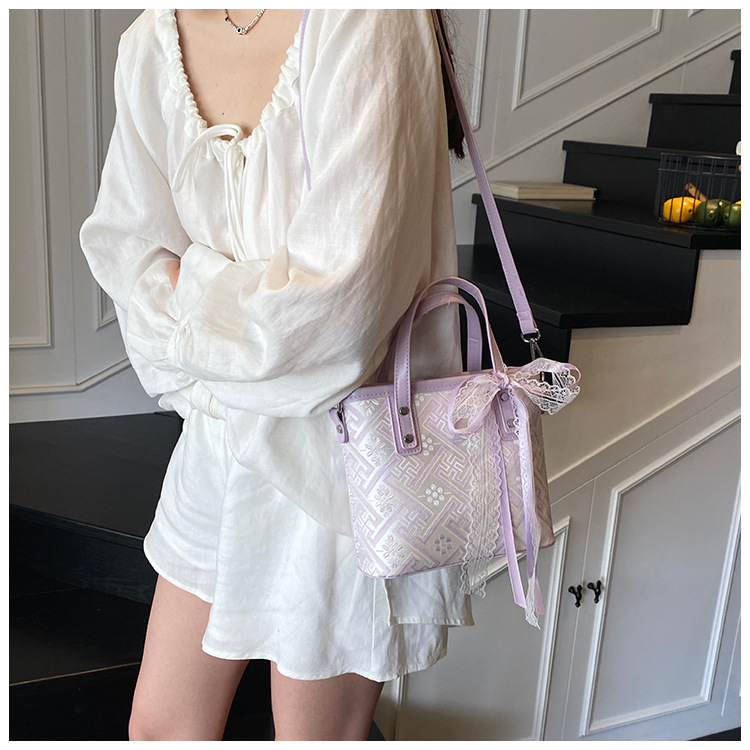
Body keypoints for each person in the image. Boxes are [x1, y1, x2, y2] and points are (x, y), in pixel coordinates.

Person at [79, 9, 474, 741]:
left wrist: (191, 286)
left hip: (346, 463)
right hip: (216, 444)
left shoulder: (370, 21)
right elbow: (125, 250)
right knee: (159, 730)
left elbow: (338, 315)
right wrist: (245, 321)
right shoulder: (151, 40)